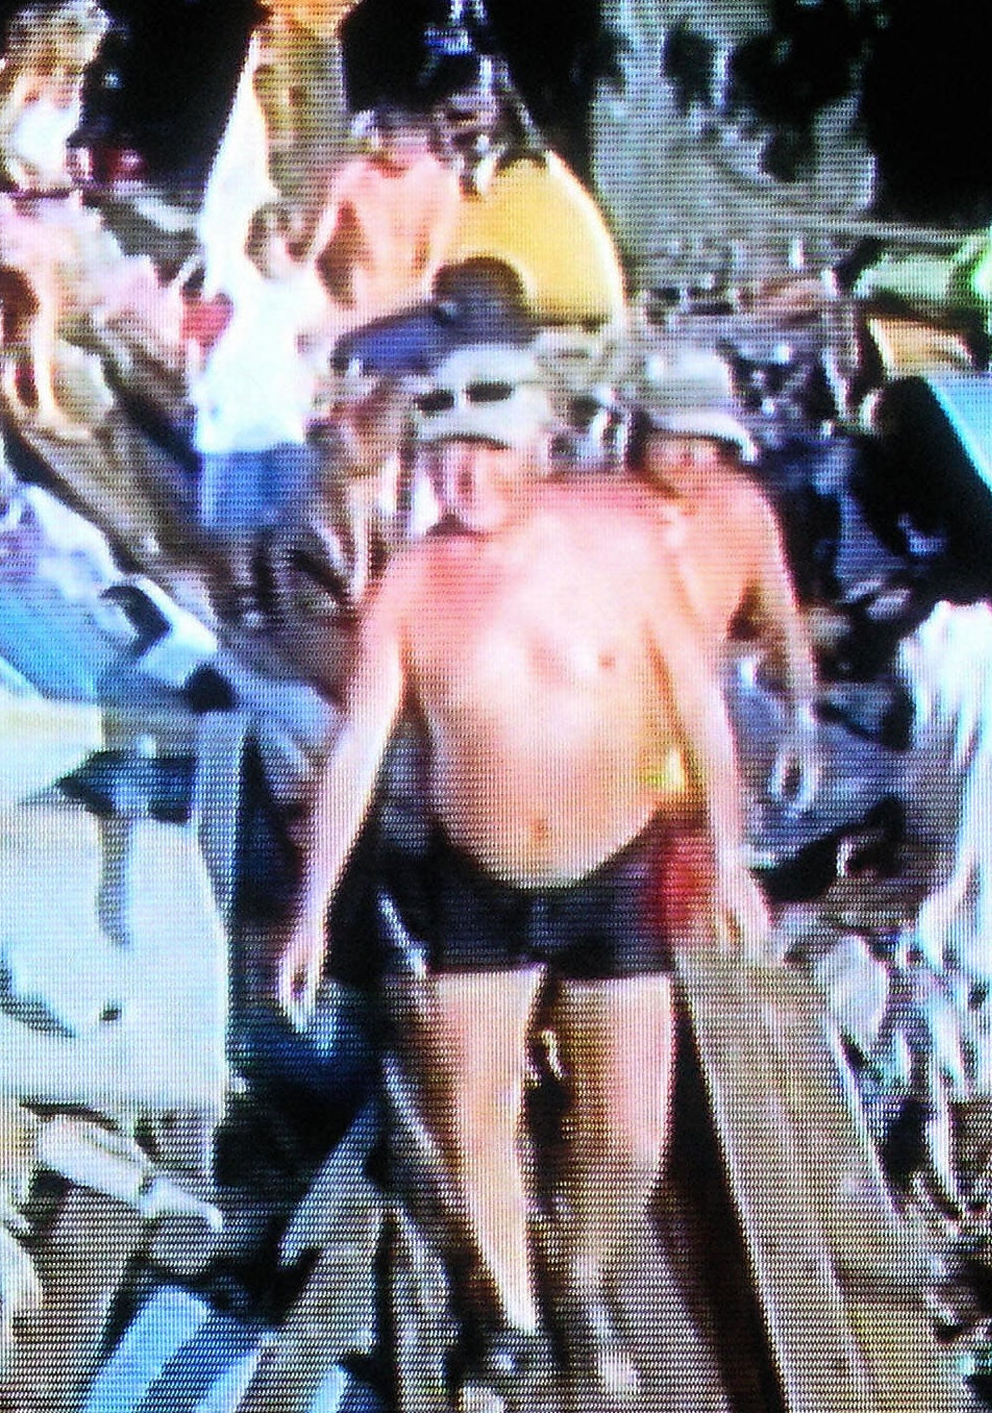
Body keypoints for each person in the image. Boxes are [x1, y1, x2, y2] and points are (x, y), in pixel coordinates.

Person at [276, 345, 765, 1398]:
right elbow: (357, 748)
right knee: (471, 1115)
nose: (465, 476)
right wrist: (313, 910)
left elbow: (697, 704)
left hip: (612, 872)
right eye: (444, 453)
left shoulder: (621, 547)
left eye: (488, 450)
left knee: (630, 1134)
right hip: (477, 884)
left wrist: (727, 856)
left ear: (541, 447)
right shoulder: (411, 583)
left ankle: (580, 1276)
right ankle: (508, 1306)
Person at [631, 347, 822, 810]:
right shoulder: (602, 514)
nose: (693, 456)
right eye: (677, 437)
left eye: (707, 440)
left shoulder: (742, 509)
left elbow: (783, 624)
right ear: (643, 436)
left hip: (707, 717)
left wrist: (801, 721)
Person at [189, 202, 332, 622]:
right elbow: (200, 335)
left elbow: (314, 345)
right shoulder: (234, 281)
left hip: (280, 408)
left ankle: (279, 580)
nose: (268, 250)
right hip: (235, 405)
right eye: (261, 241)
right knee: (237, 503)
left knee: (285, 498)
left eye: (276, 241)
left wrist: (314, 385)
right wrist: (199, 384)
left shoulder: (305, 290)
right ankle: (243, 587)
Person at [303, 103, 461, 326]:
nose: (405, 144)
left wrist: (401, 308)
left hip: (403, 312)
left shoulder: (441, 182)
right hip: (344, 302)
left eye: (414, 134)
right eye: (393, 134)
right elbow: (319, 231)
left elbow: (432, 270)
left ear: (425, 134)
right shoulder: (356, 172)